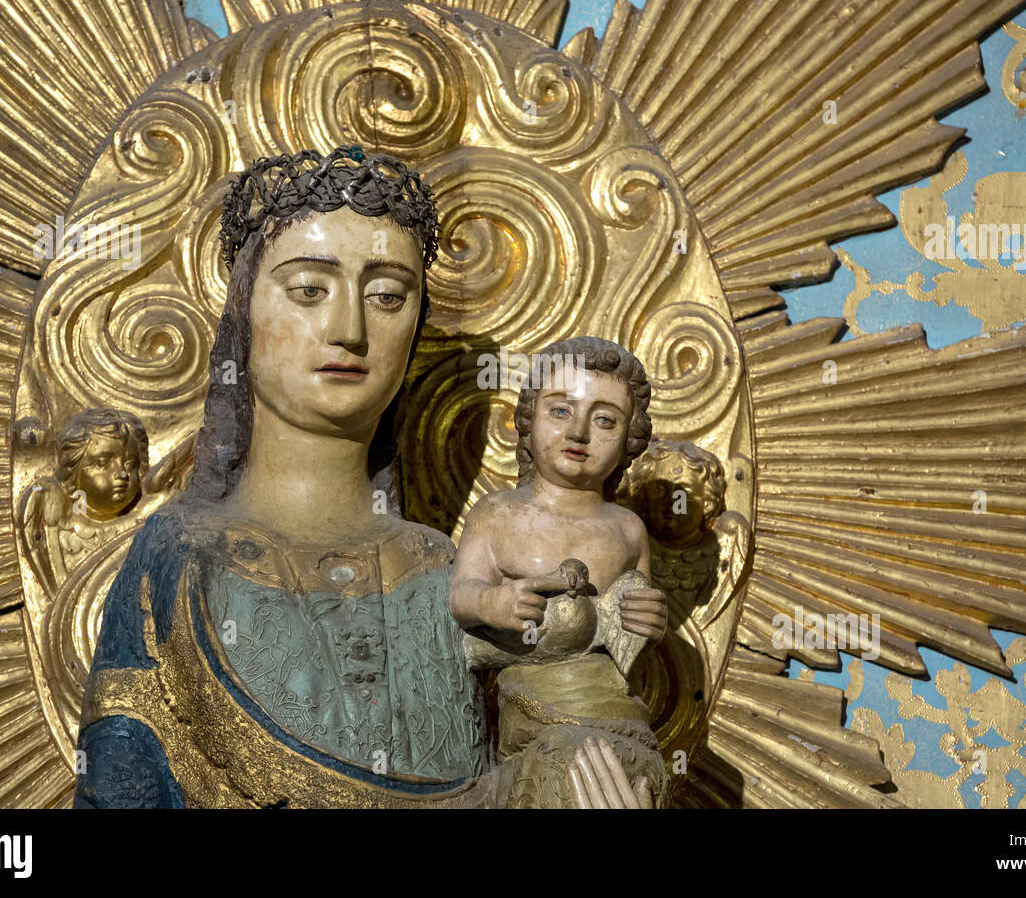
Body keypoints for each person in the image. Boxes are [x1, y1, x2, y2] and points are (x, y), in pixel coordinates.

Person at [74, 146, 653, 808]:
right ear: (246, 312)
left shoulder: (444, 571)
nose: (349, 329)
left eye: (386, 296)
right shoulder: (180, 558)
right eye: (309, 291)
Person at [449, 337, 669, 808]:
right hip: (538, 717)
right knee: (568, 768)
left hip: (618, 714)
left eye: (605, 419)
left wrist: (649, 620)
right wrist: (494, 603)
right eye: (561, 411)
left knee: (640, 778)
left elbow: (635, 626)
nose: (580, 432)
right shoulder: (497, 513)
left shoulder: (627, 530)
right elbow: (461, 596)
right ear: (528, 422)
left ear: (630, 439)